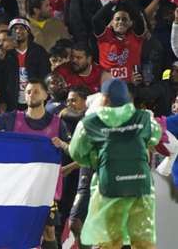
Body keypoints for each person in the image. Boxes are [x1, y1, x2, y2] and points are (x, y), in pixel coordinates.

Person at [69, 78, 162, 249]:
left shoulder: (90, 123)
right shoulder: (144, 118)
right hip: (141, 187)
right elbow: (155, 137)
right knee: (143, 241)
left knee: (110, 241)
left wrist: (95, 160)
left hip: (110, 187)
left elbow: (76, 152)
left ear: (104, 98)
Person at [0, 80, 70, 249]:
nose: (31, 95)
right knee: (16, 230)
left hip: (47, 190)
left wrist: (63, 146)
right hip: (18, 189)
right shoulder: (13, 118)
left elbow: (73, 151)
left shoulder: (58, 123)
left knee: (49, 231)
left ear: (46, 96)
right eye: (28, 91)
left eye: (36, 91)